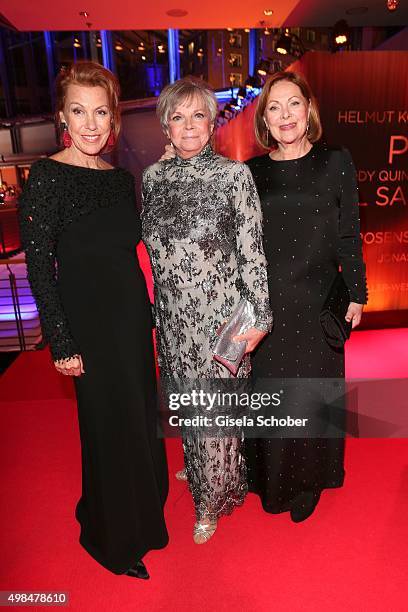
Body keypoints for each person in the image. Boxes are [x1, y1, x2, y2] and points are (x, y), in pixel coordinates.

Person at [18, 61, 168, 578]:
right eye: (78, 111)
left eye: (100, 112)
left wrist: (147, 316)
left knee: (139, 420)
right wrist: (60, 340)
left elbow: (130, 254)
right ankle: (112, 538)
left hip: (129, 321)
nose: (90, 124)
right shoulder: (47, 176)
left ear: (114, 120)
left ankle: (144, 518)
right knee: (106, 429)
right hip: (87, 326)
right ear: (62, 115)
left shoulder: (121, 180)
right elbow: (39, 264)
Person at [142, 77, 272, 543]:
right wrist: (158, 313)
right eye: (178, 117)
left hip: (222, 317)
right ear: (166, 127)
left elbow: (253, 253)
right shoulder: (153, 179)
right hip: (174, 318)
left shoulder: (235, 176)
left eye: (199, 115)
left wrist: (257, 318)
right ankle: (202, 466)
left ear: (213, 122)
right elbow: (157, 255)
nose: (189, 125)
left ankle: (209, 500)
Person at [244, 71, 367, 522]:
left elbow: (349, 233)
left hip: (317, 299)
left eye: (292, 103)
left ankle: (308, 482)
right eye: (274, 108)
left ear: (308, 108)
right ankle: (273, 480)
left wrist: (357, 290)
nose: (285, 115)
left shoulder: (336, 160)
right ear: (265, 120)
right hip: (267, 303)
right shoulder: (252, 171)